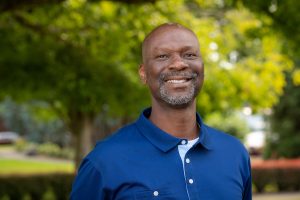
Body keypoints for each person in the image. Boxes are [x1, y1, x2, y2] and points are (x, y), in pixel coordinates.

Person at [70, 23, 252, 200]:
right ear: (143, 73)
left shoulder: (235, 154)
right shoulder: (104, 162)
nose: (179, 64)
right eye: (163, 56)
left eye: (189, 54)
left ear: (202, 66)